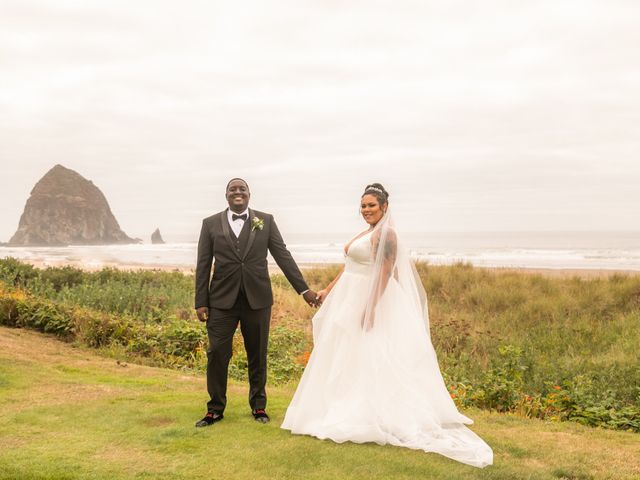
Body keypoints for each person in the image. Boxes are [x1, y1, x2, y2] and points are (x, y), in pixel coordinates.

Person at [281, 183, 493, 468]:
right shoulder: (368, 232)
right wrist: (326, 292)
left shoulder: (387, 234)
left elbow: (384, 271)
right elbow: (349, 267)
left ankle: (374, 414)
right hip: (349, 293)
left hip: (370, 298)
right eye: (363, 206)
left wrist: (370, 307)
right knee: (347, 355)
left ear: (384, 207)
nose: (366, 210)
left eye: (371, 206)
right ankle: (340, 405)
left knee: (372, 353)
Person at [194, 178, 318, 427]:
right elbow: (203, 264)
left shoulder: (266, 220)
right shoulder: (210, 224)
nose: (237, 192)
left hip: (258, 300)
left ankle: (259, 407)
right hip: (221, 301)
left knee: (257, 355)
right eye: (233, 189)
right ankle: (215, 409)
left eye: (242, 189)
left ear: (249, 194)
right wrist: (201, 301)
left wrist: (303, 290)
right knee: (217, 353)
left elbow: (282, 255)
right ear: (226, 195)